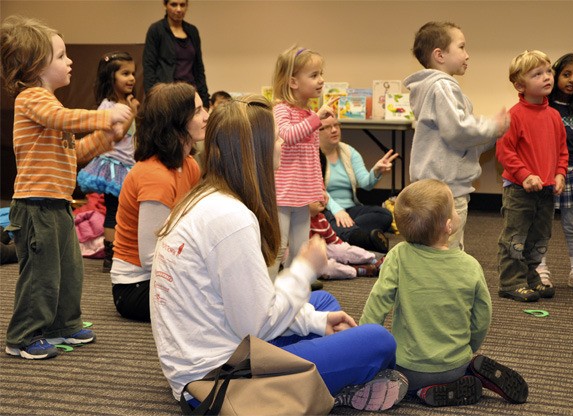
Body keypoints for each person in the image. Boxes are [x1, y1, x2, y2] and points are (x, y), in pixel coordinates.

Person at [150, 95, 408, 412]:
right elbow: (256, 325)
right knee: (378, 341)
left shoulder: (207, 198)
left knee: (322, 306)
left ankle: (329, 383)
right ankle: (332, 386)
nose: (282, 143)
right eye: (275, 137)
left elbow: (249, 311)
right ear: (255, 149)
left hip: (211, 355)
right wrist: (303, 269)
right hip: (216, 382)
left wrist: (315, 320)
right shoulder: (231, 218)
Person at [0, 15, 132, 359]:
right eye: (61, 56)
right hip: (35, 205)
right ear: (36, 65)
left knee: (69, 270)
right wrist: (106, 117)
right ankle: (23, 337)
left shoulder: (52, 107)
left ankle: (63, 325)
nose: (70, 61)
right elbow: (66, 120)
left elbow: (73, 157)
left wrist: (105, 139)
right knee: (41, 276)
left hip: (57, 203)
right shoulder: (32, 100)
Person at [360, 179, 529, 407]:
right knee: (460, 363)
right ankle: (464, 375)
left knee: (387, 378)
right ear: (449, 226)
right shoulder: (470, 265)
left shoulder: (398, 255)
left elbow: (377, 303)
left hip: (407, 368)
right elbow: (482, 317)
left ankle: (419, 392)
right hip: (455, 365)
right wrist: (469, 348)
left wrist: (362, 343)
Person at [403, 21, 510, 250]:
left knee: (430, 247)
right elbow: (459, 131)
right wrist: (492, 126)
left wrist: (492, 135)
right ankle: (443, 286)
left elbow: (462, 142)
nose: (467, 55)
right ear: (439, 55)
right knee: (448, 250)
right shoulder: (443, 86)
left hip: (435, 185)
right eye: (461, 47)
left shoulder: (433, 88)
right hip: (446, 189)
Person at [110, 82, 206, 322]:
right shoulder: (155, 176)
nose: (206, 117)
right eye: (197, 111)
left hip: (162, 276)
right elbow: (151, 257)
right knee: (215, 305)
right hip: (135, 287)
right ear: (176, 121)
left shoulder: (189, 165)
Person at [496, 50, 569, 302]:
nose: (547, 77)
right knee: (516, 237)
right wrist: (525, 174)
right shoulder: (515, 115)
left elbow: (562, 151)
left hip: (547, 190)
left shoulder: (554, 116)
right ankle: (510, 281)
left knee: (539, 236)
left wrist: (560, 174)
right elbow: (504, 151)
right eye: (537, 74)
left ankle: (529, 275)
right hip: (519, 191)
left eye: (548, 71)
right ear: (520, 84)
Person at [269, 45, 339, 278]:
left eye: (321, 74)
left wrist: (319, 188)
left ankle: (292, 293)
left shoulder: (310, 115)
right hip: (282, 194)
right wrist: (316, 120)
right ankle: (266, 293)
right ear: (293, 82)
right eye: (314, 75)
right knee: (278, 248)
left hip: (301, 196)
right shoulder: (281, 110)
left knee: (299, 249)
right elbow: (287, 135)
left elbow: (312, 157)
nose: (321, 80)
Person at [536, 53, 573, 292]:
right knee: (542, 223)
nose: (572, 80)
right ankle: (540, 268)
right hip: (546, 172)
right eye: (567, 74)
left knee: (572, 224)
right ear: (555, 75)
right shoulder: (543, 105)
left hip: (571, 173)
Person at [77, 51, 140, 273]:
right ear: (111, 76)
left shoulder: (127, 102)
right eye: (125, 73)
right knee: (114, 211)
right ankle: (110, 256)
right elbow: (117, 135)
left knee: (126, 211)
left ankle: (123, 250)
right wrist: (132, 113)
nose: (132, 78)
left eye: (132, 73)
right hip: (112, 168)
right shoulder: (108, 106)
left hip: (128, 165)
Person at [319, 117, 398, 253]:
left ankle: (344, 234)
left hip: (351, 210)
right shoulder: (312, 153)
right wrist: (338, 211)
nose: (334, 130)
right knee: (326, 220)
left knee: (384, 214)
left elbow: (365, 184)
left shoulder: (349, 151)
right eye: (326, 127)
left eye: (336, 125)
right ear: (315, 131)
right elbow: (318, 190)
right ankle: (364, 239)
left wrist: (376, 171)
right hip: (326, 209)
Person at [143, 0, 210, 107]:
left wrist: (205, 100)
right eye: (174, 4)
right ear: (165, 5)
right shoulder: (156, 30)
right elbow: (149, 67)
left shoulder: (192, 31)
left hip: (191, 93)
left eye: (182, 5)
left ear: (187, 6)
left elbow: (199, 68)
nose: (178, 9)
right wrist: (152, 99)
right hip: (167, 95)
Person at [309, 201, 383, 279]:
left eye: (322, 193)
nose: (322, 199)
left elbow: (334, 241)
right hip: (307, 260)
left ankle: (373, 260)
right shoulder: (299, 222)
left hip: (321, 250)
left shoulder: (321, 218)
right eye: (316, 197)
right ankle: (356, 270)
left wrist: (344, 252)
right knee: (328, 267)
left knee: (341, 250)